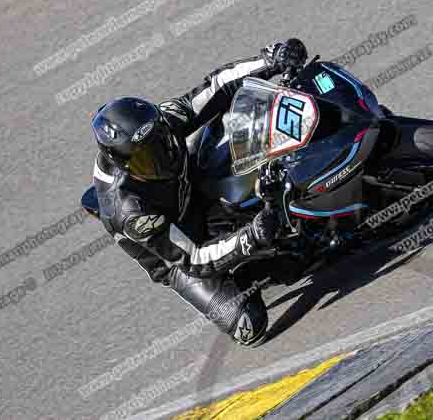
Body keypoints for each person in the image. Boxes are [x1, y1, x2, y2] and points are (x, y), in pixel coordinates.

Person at [88, 39, 309, 346]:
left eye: (160, 144)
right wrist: (250, 239)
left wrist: (269, 60)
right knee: (249, 327)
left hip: (194, 191)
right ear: (121, 163)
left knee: (246, 125)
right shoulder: (129, 210)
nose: (160, 157)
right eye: (144, 159)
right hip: (180, 255)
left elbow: (216, 88)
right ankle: (247, 272)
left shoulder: (161, 121)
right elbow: (193, 259)